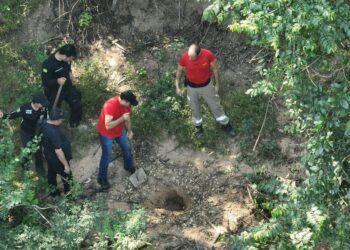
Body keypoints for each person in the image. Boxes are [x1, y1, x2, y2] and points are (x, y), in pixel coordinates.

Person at [175, 44, 236, 138]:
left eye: (192, 57)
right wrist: (177, 86)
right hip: (191, 87)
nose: (189, 58)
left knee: (215, 106)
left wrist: (217, 84)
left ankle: (225, 125)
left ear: (199, 54)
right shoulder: (185, 56)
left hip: (206, 86)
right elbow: (179, 70)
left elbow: (215, 68)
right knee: (194, 108)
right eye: (189, 56)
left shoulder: (207, 55)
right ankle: (198, 127)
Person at [96, 90, 138, 190]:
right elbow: (108, 126)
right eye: (129, 103)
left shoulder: (127, 104)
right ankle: (101, 179)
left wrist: (129, 131)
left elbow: (127, 118)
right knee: (107, 155)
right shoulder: (110, 105)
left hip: (119, 131)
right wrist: (121, 119)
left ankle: (128, 166)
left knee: (127, 148)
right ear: (124, 100)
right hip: (106, 134)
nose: (130, 105)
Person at [0, 92, 49, 174]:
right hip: (26, 132)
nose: (44, 105)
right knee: (28, 150)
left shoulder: (43, 109)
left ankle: (39, 168)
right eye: (42, 103)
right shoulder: (25, 108)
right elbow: (13, 114)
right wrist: (3, 115)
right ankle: (24, 165)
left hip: (38, 132)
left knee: (38, 150)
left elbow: (46, 118)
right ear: (36, 103)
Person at [41, 44, 82, 128]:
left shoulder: (64, 54)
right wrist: (57, 81)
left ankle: (73, 123)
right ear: (63, 56)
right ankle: (53, 130)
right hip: (54, 92)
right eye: (70, 58)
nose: (71, 60)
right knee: (54, 113)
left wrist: (69, 71)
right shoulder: (48, 64)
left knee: (76, 103)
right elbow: (45, 82)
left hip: (67, 87)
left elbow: (68, 65)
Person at [41, 108, 73, 197]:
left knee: (51, 173)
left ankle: (54, 193)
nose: (62, 121)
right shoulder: (53, 132)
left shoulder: (44, 123)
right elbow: (58, 151)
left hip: (49, 155)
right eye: (61, 120)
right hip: (56, 158)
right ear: (56, 120)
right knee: (67, 176)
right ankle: (70, 196)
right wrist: (66, 165)